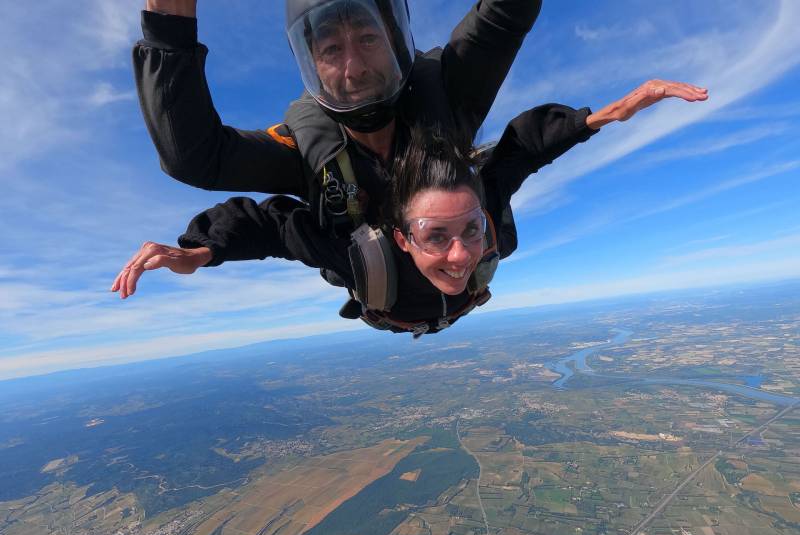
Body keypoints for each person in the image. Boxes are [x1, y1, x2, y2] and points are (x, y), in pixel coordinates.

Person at [113, 80, 708, 335]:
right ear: (402, 238)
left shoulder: (482, 212)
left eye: (469, 230)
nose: (461, 254)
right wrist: (202, 249)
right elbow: (274, 226)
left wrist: (608, 114)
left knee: (490, 182)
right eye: (436, 236)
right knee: (338, 210)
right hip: (386, 300)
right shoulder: (358, 257)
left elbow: (522, 150)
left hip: (417, 306)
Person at [134, 0, 543, 239]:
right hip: (386, 301)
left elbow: (504, 17)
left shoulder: (448, 91)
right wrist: (169, 24)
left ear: (395, 42)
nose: (355, 68)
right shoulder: (305, 150)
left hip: (464, 270)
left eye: (368, 38)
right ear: (311, 64)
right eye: (331, 49)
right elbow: (195, 157)